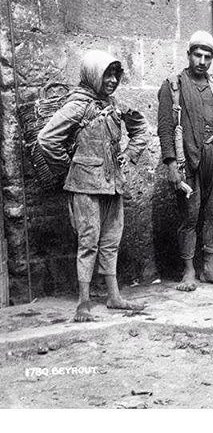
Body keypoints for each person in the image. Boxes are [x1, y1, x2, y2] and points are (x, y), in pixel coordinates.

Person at [37, 50, 149, 322]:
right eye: (106, 74)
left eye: (115, 75)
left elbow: (140, 127)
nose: (112, 80)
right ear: (92, 76)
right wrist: (71, 169)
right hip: (85, 187)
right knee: (88, 242)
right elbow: (46, 139)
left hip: (113, 185)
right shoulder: (77, 105)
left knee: (111, 240)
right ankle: (83, 302)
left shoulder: (113, 104)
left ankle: (114, 296)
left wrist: (130, 153)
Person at [157, 30, 213, 291]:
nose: (202, 61)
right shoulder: (173, 85)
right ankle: (189, 270)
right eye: (197, 55)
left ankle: (209, 268)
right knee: (189, 217)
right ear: (188, 55)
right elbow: (166, 128)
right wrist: (170, 164)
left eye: (207, 57)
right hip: (187, 160)